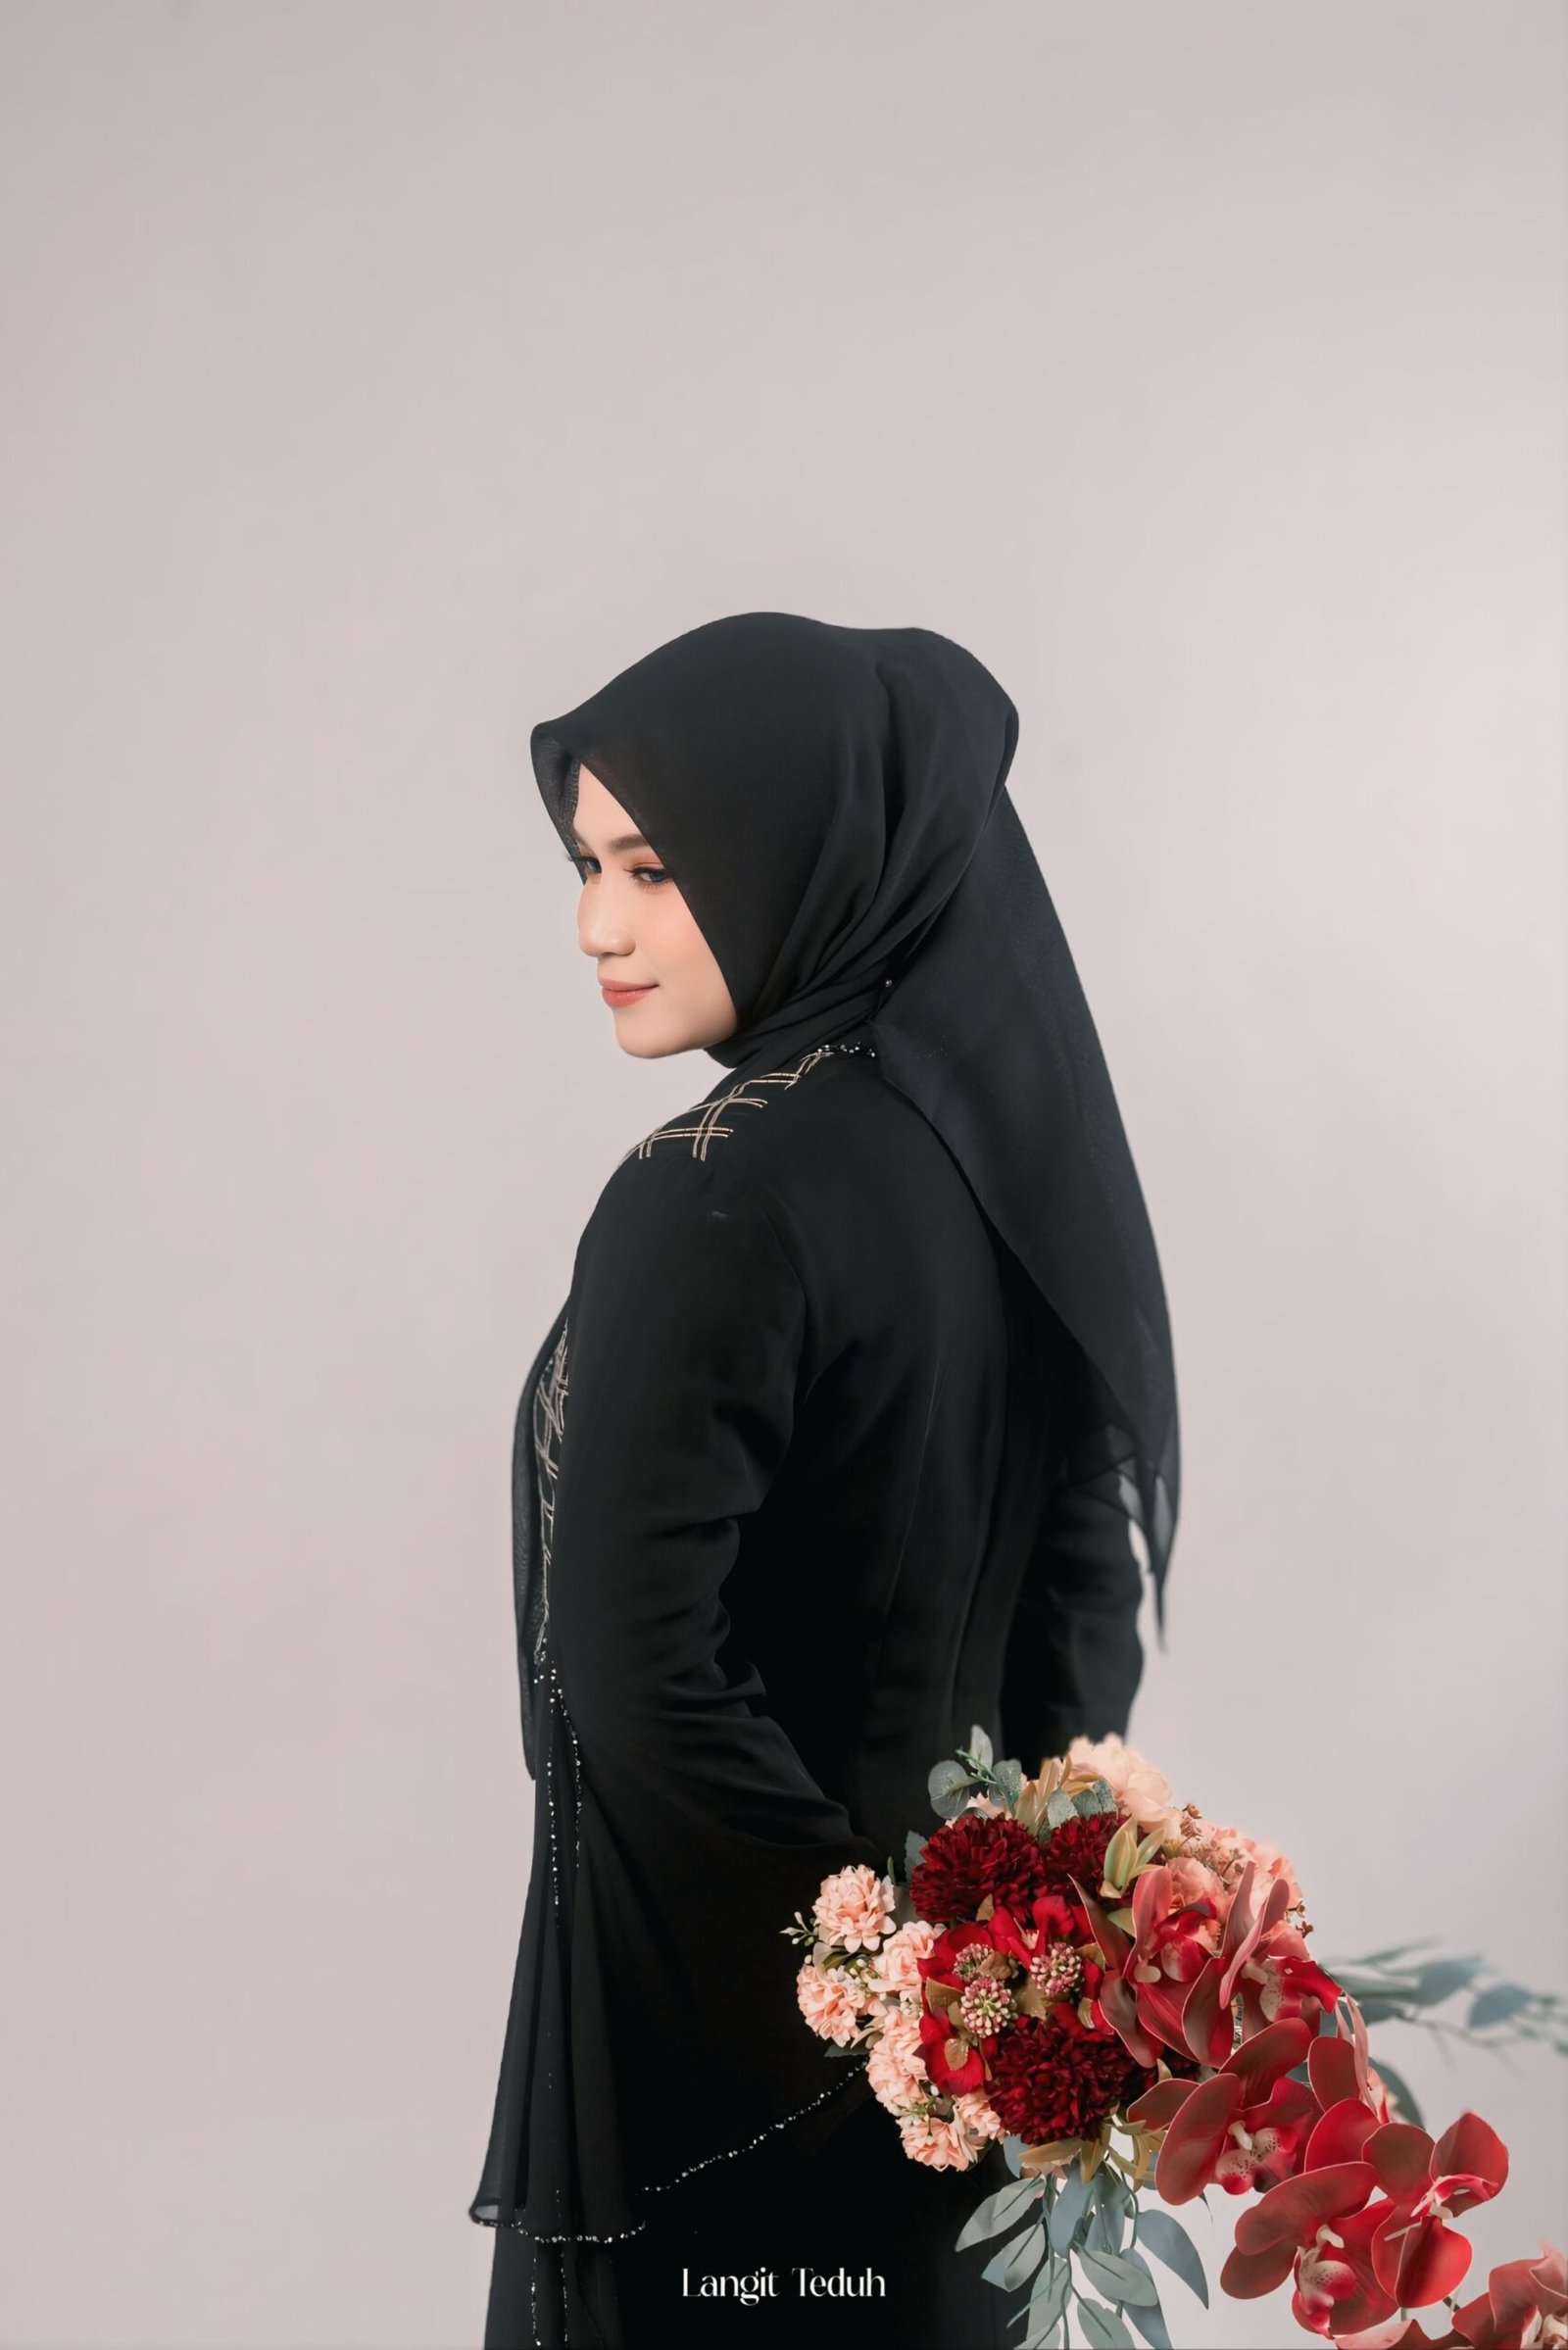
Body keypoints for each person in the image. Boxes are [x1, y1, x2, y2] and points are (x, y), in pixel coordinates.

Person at [469, 612, 1181, 2348]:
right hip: (969, 2085)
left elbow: (630, 1665)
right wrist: (1002, 1979)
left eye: (654, 865)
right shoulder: (995, 1170)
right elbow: (1083, 1591)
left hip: (729, 2076)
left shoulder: (715, 1189)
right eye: (586, 865)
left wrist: (865, 1987)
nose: (597, 926)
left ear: (800, 850)